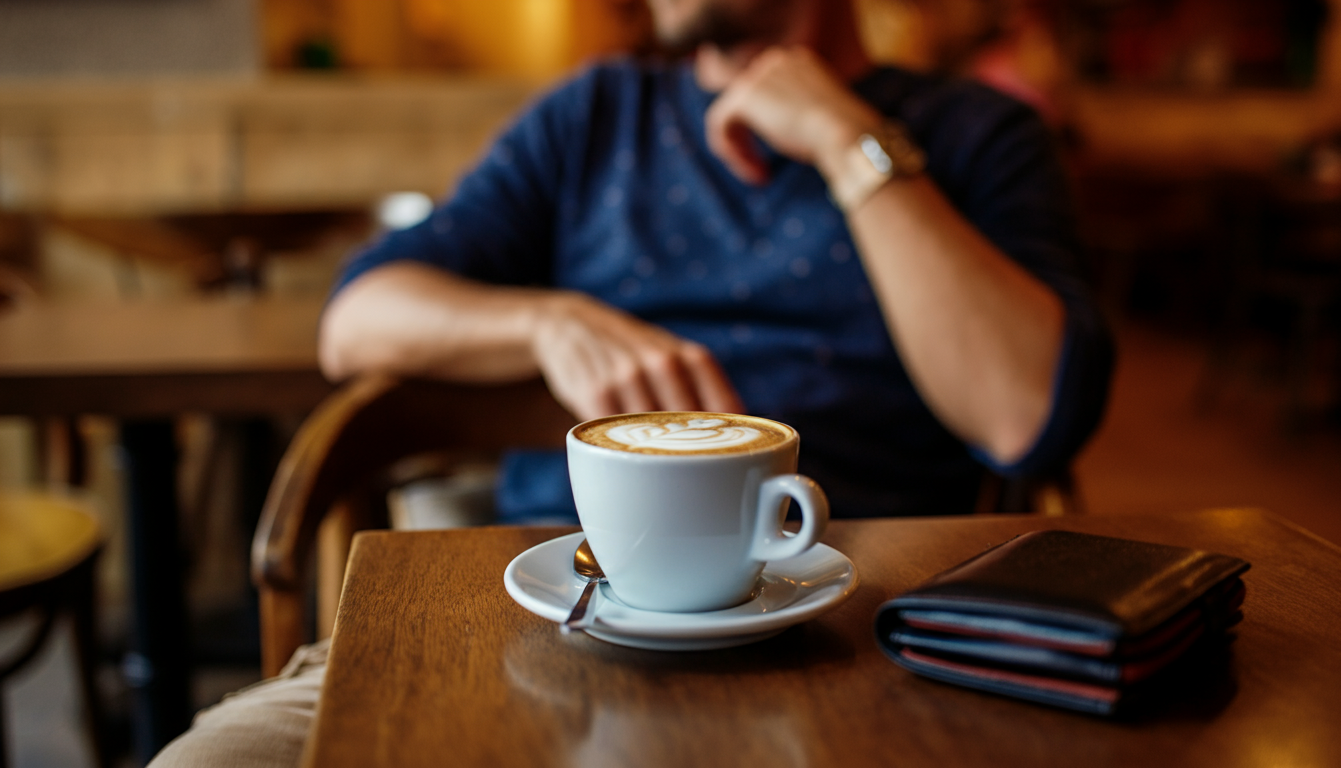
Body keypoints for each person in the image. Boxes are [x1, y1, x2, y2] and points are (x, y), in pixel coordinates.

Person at [150, 0, 1110, 764]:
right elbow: (355, 319)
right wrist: (544, 318)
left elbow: (1027, 417)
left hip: (857, 637)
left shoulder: (977, 137)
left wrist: (847, 144)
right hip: (540, 622)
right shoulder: (596, 115)